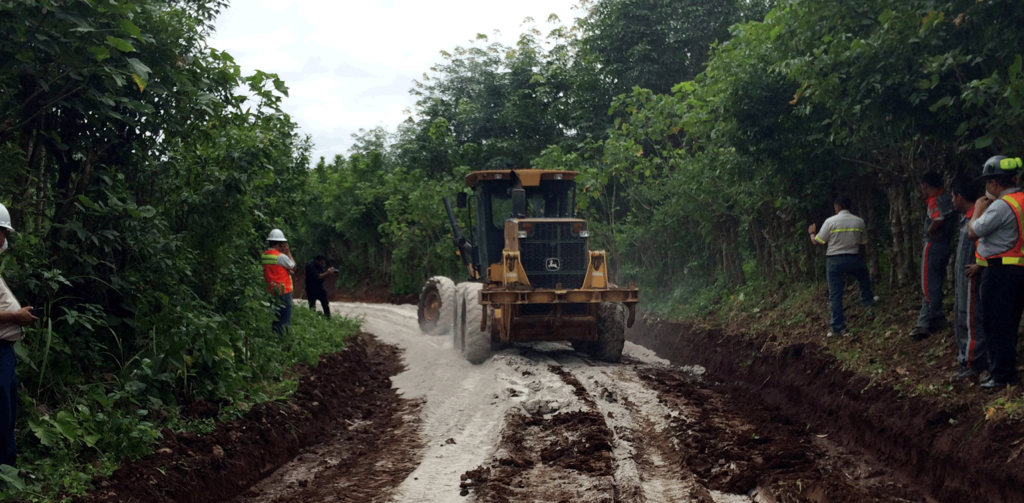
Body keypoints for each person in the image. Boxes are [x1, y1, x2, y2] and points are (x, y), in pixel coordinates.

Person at [968, 155, 1024, 389]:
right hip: (1018, 269)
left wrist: (979, 207)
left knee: (996, 324)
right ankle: (1005, 371)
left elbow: (973, 231)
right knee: (1010, 323)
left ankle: (1000, 375)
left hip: (1000, 273)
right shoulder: (1021, 200)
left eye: (987, 182)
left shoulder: (1002, 205)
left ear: (994, 184)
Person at [0, 203, 38, 467]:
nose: (4, 239)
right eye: (3, 232)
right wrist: (15, 317)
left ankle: (8, 470)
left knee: (8, 410)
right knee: (1, 412)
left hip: (6, 352)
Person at [808, 195, 878, 337]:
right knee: (863, 276)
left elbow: (817, 242)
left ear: (837, 207)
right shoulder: (859, 221)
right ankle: (868, 301)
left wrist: (812, 233)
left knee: (835, 294)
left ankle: (837, 328)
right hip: (853, 258)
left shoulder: (830, 222)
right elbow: (863, 242)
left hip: (834, 261)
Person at [910, 172, 956, 340]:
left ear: (925, 185)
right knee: (936, 281)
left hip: (933, 245)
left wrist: (930, 230)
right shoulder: (948, 198)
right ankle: (936, 318)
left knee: (928, 284)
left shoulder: (934, 201)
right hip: (946, 245)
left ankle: (926, 322)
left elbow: (938, 219)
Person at [950, 179, 987, 381]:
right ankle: (965, 359)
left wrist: (979, 265)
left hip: (972, 280)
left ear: (960, 197)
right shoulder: (966, 219)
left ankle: (975, 362)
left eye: (953, 196)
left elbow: (988, 244)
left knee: (972, 320)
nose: (952, 201)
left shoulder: (978, 218)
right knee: (962, 317)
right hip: (963, 280)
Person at [261, 229, 296, 333]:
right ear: (281, 244)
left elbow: (275, 269)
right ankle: (283, 340)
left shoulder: (265, 255)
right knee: (284, 319)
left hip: (272, 291)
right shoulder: (281, 257)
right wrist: (288, 252)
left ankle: (275, 339)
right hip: (284, 291)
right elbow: (293, 265)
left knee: (276, 318)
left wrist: (286, 271)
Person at [304, 253, 336, 319]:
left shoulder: (323, 266)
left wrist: (329, 273)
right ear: (317, 261)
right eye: (321, 262)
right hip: (311, 288)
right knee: (312, 305)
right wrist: (327, 272)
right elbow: (318, 276)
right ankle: (312, 318)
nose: (323, 264)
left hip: (319, 286)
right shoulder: (310, 266)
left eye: (324, 262)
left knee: (325, 303)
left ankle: (328, 318)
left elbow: (324, 275)